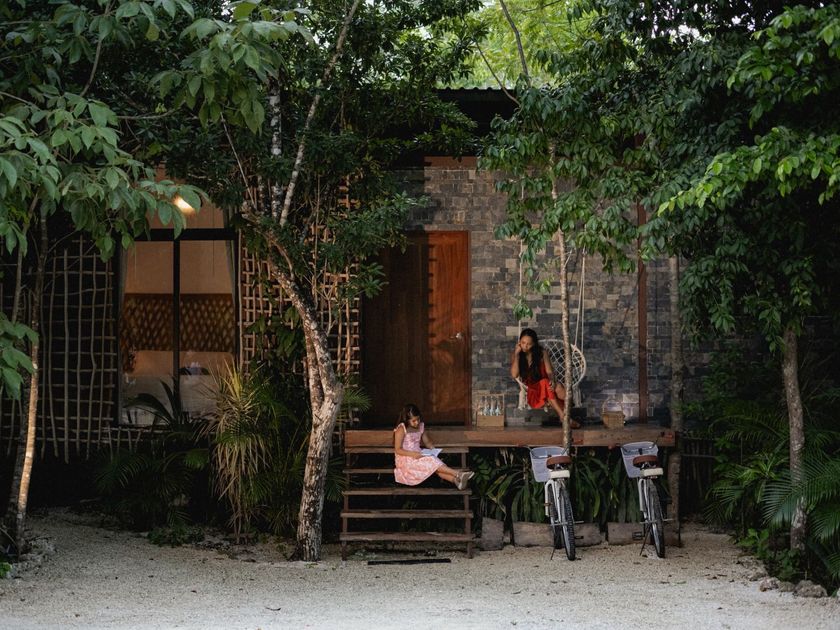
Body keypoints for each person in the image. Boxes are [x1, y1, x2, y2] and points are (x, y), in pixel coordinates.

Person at [510, 328, 580, 429]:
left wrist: (552, 381)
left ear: (534, 344)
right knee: (545, 383)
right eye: (523, 342)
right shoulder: (516, 355)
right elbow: (514, 375)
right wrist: (516, 355)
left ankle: (565, 417)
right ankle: (563, 417)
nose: (525, 346)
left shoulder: (542, 353)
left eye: (529, 344)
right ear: (519, 342)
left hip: (546, 384)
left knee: (558, 388)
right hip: (532, 388)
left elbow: (549, 371)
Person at [394, 403, 474, 490]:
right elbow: (398, 449)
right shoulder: (401, 429)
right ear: (406, 420)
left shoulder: (420, 426)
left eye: (418, 419)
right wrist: (413, 454)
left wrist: (433, 449)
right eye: (413, 421)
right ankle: (458, 474)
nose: (417, 422)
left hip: (419, 454)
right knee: (433, 462)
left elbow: (427, 442)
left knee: (434, 463)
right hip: (406, 458)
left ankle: (456, 481)